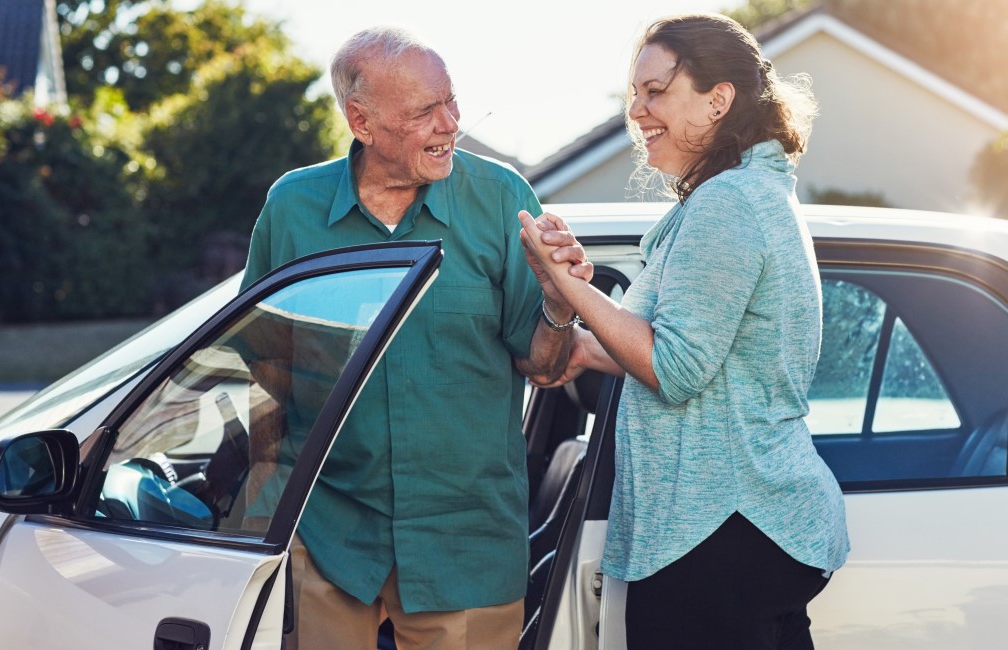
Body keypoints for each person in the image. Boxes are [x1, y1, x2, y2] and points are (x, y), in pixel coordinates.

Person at [240, 26, 583, 650]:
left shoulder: (501, 198)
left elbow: (543, 362)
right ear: (361, 122)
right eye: (426, 112)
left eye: (451, 101)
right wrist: (269, 503)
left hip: (466, 547)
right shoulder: (292, 208)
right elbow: (265, 362)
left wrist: (560, 306)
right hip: (330, 538)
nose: (450, 123)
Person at [518, 13, 849, 650]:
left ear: (719, 99)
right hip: (751, 527)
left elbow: (675, 367)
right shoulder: (748, 195)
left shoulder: (730, 204)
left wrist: (571, 288)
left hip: (721, 528)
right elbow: (698, 352)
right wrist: (586, 341)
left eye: (656, 90)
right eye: (634, 94)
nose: (637, 111)